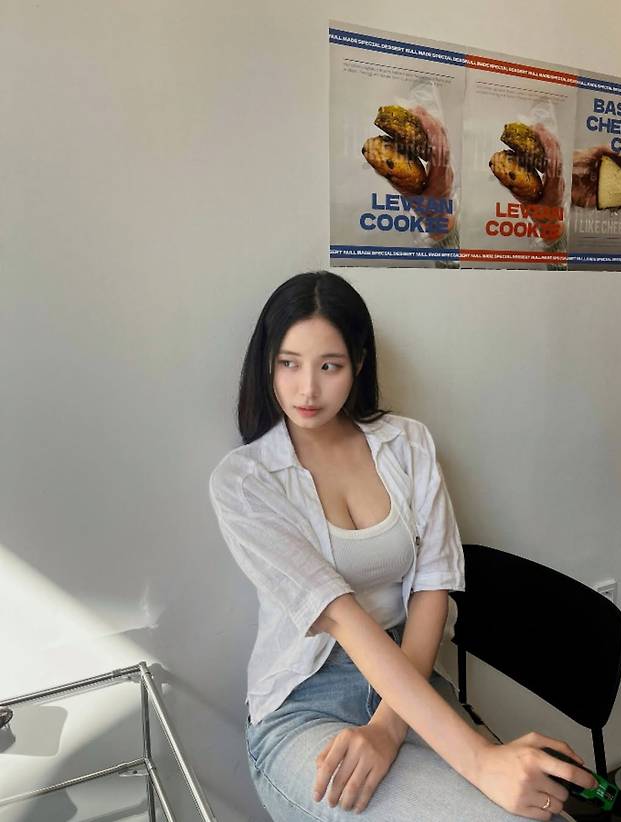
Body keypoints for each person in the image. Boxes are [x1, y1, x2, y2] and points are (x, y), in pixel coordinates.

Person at [209, 271, 597, 820]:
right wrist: (480, 760)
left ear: (358, 364)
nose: (307, 390)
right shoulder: (245, 482)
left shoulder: (407, 444)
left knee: (539, 813)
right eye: (288, 363)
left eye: (329, 366)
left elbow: (432, 589)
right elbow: (341, 617)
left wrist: (389, 727)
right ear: (266, 363)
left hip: (413, 673)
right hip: (305, 702)